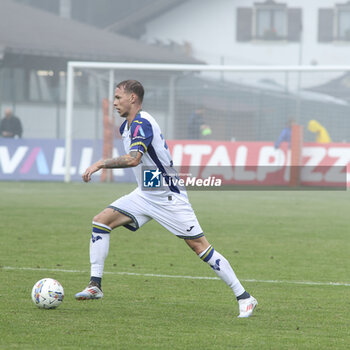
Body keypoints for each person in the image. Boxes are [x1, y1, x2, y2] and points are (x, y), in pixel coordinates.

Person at [75, 80, 257, 318]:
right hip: (145, 193)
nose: (114, 102)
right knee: (101, 221)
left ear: (132, 98)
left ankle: (245, 297)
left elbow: (133, 159)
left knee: (199, 247)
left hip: (168, 195)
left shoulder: (142, 122)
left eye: (118, 97)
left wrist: (100, 163)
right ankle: (95, 285)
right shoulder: (126, 127)